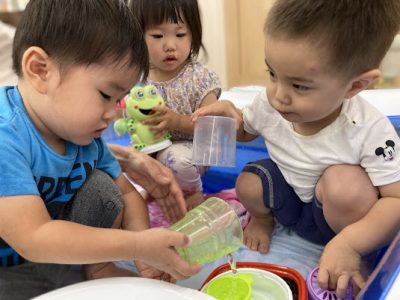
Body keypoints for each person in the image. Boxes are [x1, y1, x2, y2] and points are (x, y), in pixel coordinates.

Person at [192, 0, 400, 298]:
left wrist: (351, 243)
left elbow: (395, 200)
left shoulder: (368, 129)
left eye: (300, 86)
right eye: (272, 74)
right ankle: (263, 220)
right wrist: (230, 116)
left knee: (346, 186)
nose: (279, 96)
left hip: (335, 216)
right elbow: (247, 131)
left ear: (355, 86)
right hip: (287, 203)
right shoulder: (269, 102)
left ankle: (350, 252)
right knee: (248, 183)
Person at [0, 1, 201, 299]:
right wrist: (132, 245)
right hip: (10, 268)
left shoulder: (82, 134)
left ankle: (97, 268)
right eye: (105, 95)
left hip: (60, 252)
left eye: (119, 99)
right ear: (40, 70)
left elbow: (126, 193)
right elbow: (33, 237)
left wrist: (143, 247)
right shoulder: (6, 137)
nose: (112, 114)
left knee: (102, 187)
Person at [129, 0, 222, 210]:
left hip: (192, 151)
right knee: (128, 158)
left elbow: (212, 128)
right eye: (157, 36)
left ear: (193, 34)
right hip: (155, 146)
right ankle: (157, 189)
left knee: (176, 160)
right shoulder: (139, 77)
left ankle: (192, 191)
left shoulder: (199, 78)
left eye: (180, 35)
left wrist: (177, 122)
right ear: (139, 38)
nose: (170, 45)